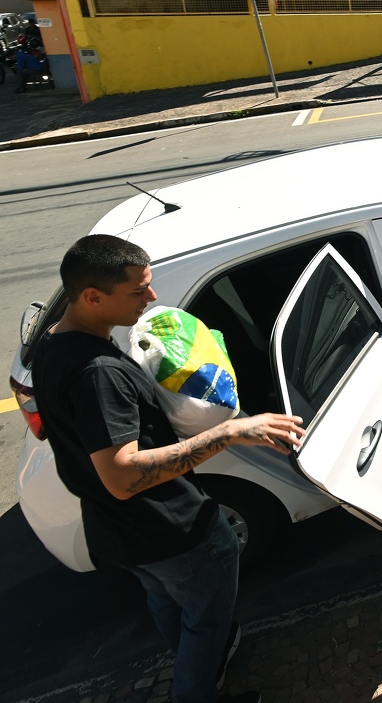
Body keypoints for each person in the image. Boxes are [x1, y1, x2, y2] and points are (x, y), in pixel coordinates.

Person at [33, 235, 306, 703]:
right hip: (169, 529)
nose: (152, 298)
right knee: (206, 619)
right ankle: (198, 689)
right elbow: (122, 476)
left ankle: (199, 663)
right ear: (92, 296)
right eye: (138, 291)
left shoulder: (54, 344)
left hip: (119, 533)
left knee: (168, 601)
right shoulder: (97, 372)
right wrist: (227, 433)